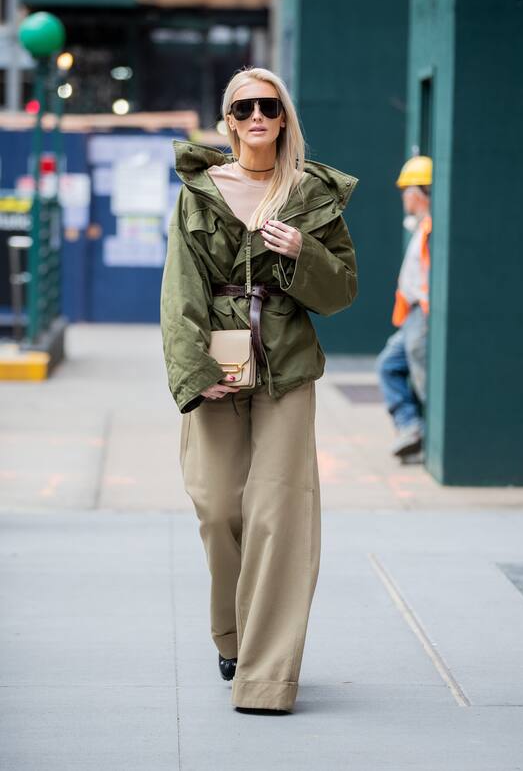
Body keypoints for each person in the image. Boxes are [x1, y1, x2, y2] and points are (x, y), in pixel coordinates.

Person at [160, 66, 358, 714]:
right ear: (227, 120)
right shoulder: (199, 193)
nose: (255, 117)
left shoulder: (310, 194)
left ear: (283, 117)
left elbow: (341, 293)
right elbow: (179, 294)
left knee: (280, 518)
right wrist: (195, 371)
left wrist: (304, 252)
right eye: (242, 107)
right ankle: (231, 632)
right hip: (218, 359)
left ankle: (267, 678)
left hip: (288, 367)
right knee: (219, 509)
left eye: (267, 106)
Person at [376, 155, 432, 461]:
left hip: (423, 314)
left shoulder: (432, 229)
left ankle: (430, 436)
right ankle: (411, 427)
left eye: (406, 191)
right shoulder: (421, 227)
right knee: (388, 365)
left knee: (425, 378)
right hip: (412, 314)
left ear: (416, 193)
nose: (404, 198)